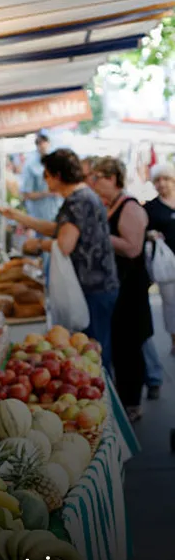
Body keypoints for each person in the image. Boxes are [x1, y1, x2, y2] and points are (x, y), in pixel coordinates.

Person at [0, 149, 119, 372]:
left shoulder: (77, 201)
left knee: (93, 353)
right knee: (97, 349)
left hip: (93, 288)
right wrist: (18, 216)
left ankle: (105, 402)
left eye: (46, 174)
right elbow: (59, 229)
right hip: (99, 285)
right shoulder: (82, 197)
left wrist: (36, 245)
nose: (44, 180)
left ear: (57, 175)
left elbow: (64, 243)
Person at [93, 157, 153, 422]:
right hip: (119, 285)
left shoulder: (129, 207)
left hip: (131, 287)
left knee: (130, 344)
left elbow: (132, 248)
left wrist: (98, 235)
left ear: (112, 178)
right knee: (120, 343)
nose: (94, 183)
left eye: (98, 178)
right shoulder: (112, 205)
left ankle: (133, 403)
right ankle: (125, 395)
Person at [20, 132, 62, 281]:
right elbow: (26, 193)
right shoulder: (31, 165)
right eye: (40, 143)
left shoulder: (55, 162)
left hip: (56, 216)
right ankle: (48, 280)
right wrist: (48, 193)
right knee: (46, 252)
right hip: (41, 216)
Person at [145, 162, 175, 354]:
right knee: (171, 304)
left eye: (166, 179)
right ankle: (174, 340)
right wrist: (151, 234)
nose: (162, 184)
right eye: (158, 180)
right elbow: (143, 230)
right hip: (167, 265)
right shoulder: (151, 207)